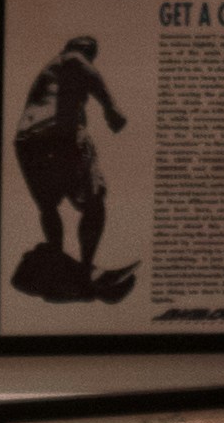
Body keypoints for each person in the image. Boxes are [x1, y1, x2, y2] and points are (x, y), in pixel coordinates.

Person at [10, 31, 132, 302]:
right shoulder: (71, 58)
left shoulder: (49, 77)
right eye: (91, 51)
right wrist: (111, 108)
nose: (91, 56)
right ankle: (85, 269)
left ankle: (56, 260)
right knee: (94, 201)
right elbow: (81, 66)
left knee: (48, 206)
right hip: (58, 135)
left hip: (27, 142)